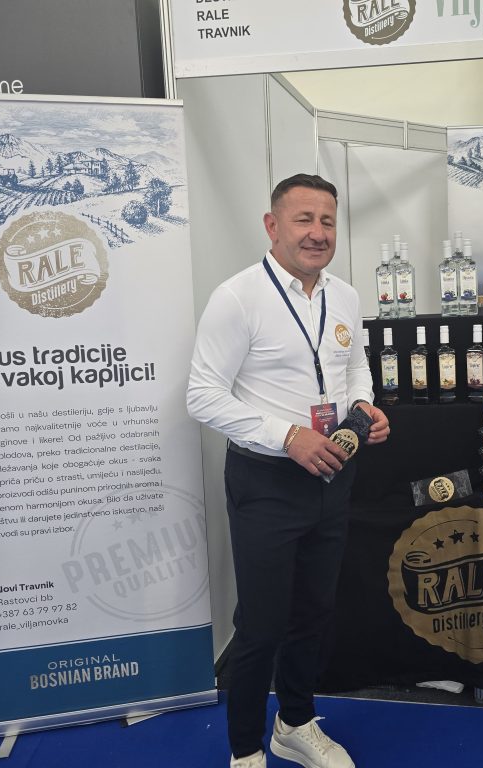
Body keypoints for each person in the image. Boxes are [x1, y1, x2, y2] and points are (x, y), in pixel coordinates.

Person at [187, 173, 390, 768]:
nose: (318, 232)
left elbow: (355, 369)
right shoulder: (237, 297)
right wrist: (287, 435)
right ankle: (245, 750)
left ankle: (294, 724)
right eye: (304, 219)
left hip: (333, 475)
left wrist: (364, 410)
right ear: (272, 226)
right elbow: (202, 395)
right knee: (261, 625)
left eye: (327, 220)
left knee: (314, 613)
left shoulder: (344, 296)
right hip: (267, 482)